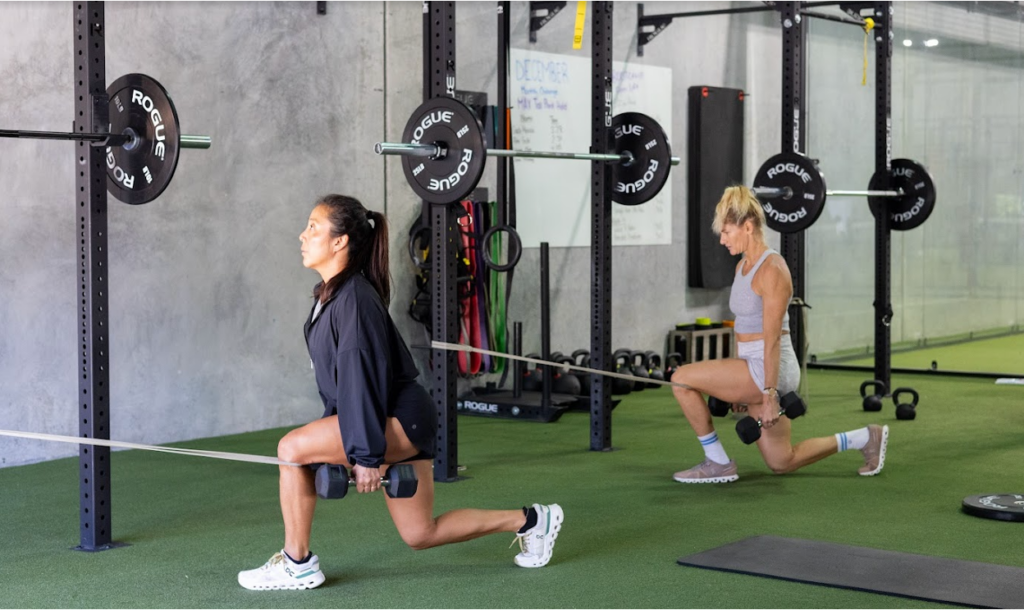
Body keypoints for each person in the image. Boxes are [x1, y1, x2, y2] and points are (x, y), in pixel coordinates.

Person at [238, 195, 562, 590]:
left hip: (396, 418)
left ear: (340, 241)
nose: (302, 235)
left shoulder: (353, 299)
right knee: (420, 533)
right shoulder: (330, 296)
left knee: (291, 449)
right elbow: (342, 389)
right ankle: (532, 521)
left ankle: (297, 562)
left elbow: (360, 381)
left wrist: (366, 455)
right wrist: (345, 449)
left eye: (313, 227)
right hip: (403, 417)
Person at [669, 185, 888, 484]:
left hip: (771, 369)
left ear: (748, 227)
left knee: (681, 378)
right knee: (782, 461)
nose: (721, 240)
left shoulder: (772, 270)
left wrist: (769, 395)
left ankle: (717, 462)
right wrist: (733, 388)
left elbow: (770, 338)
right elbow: (743, 329)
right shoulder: (741, 267)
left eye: (726, 232)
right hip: (753, 368)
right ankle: (865, 438)